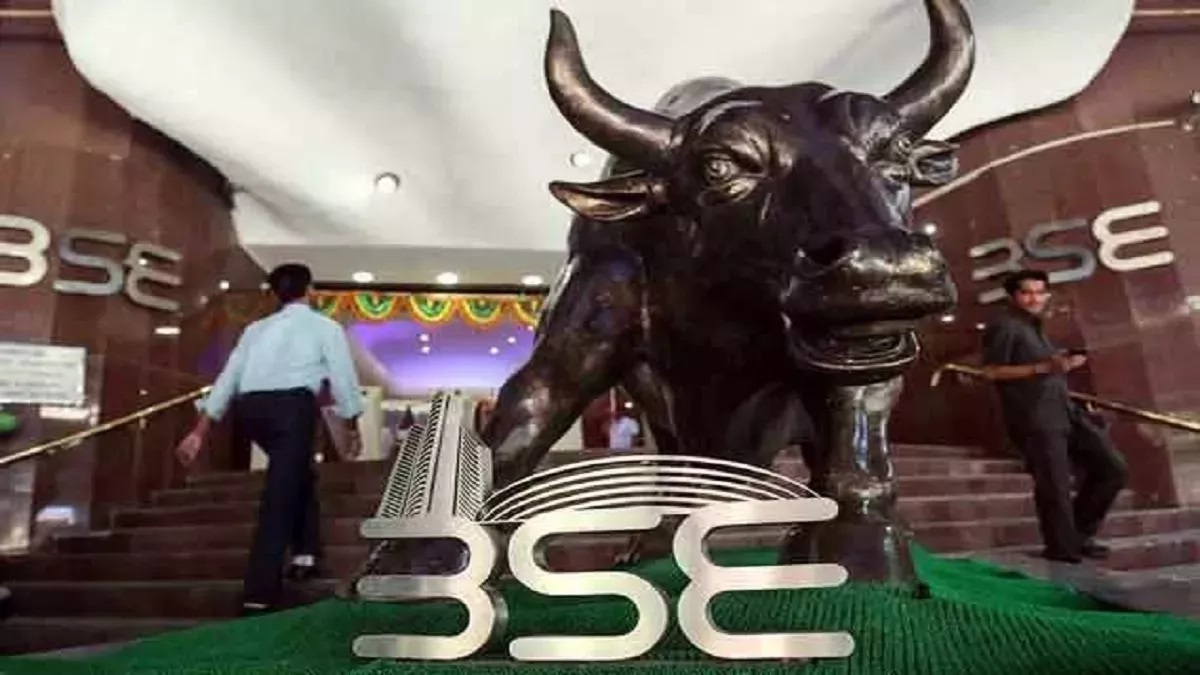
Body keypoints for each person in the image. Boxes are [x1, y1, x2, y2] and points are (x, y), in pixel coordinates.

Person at [175, 263, 364, 614]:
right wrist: (352, 424)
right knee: (280, 493)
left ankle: (306, 554)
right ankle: (259, 591)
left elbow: (229, 376)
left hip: (250, 411)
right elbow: (343, 378)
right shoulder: (325, 327)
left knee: (297, 473)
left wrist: (200, 430)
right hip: (292, 409)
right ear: (310, 291)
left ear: (276, 294)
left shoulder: (254, 330)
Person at [981, 269, 1129, 564]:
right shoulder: (1004, 326)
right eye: (1027, 293)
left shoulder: (1035, 327)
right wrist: (1045, 368)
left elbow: (1047, 366)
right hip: (1034, 417)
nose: (1035, 298)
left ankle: (1077, 535)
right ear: (1013, 296)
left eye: (1040, 292)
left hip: (1065, 411)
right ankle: (1061, 547)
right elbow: (991, 371)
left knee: (1112, 469)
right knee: (1054, 483)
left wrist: (1063, 362)